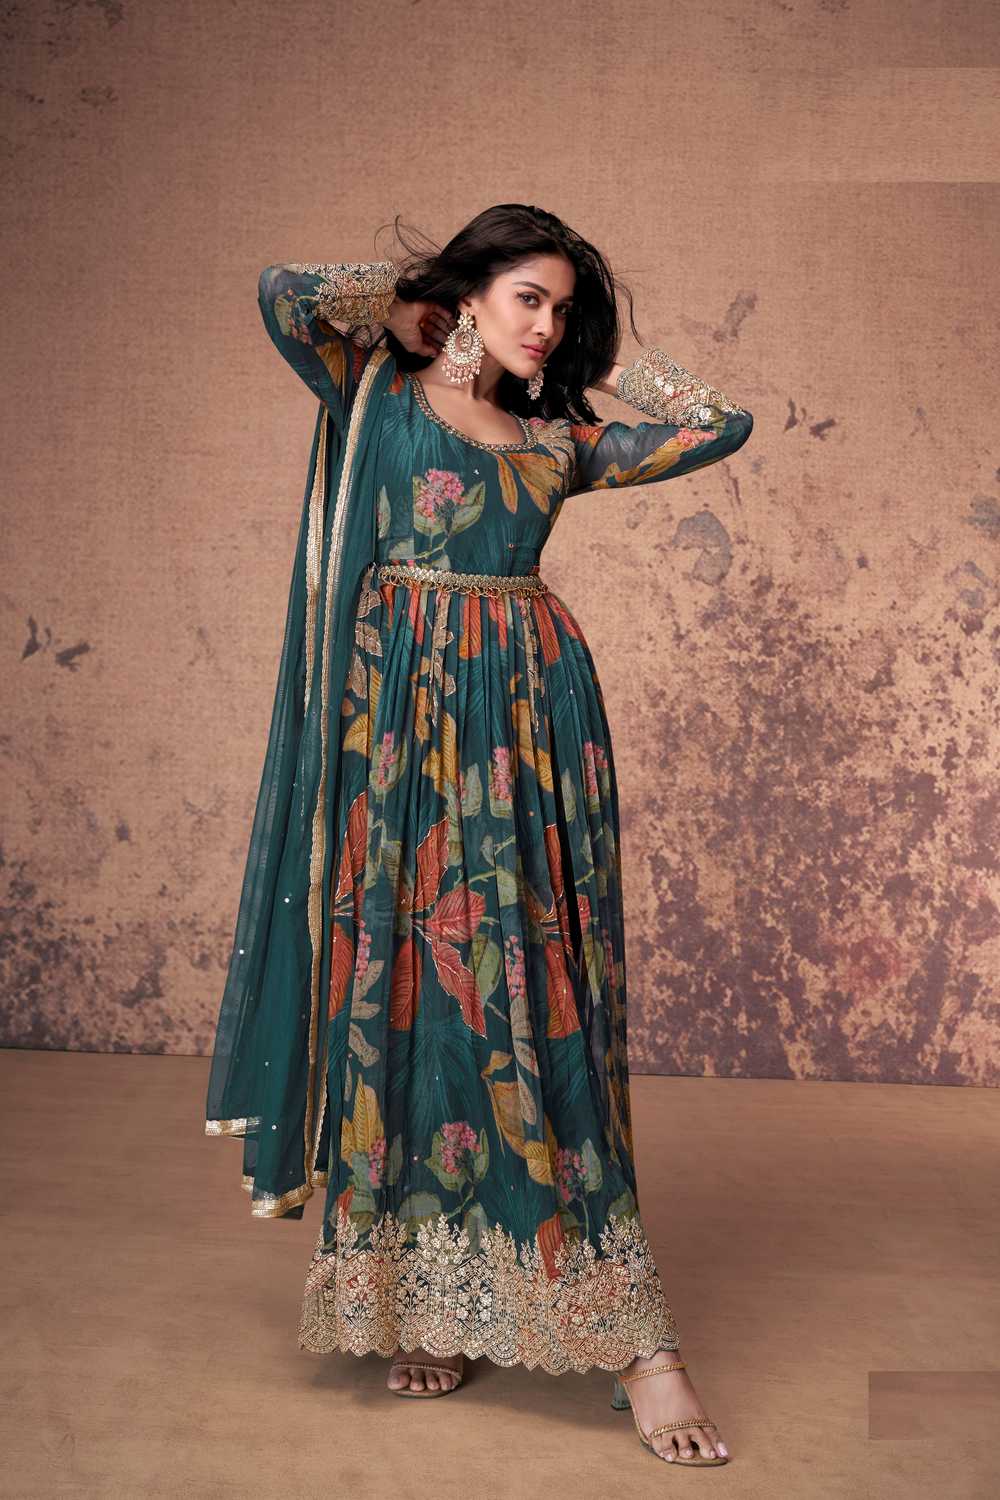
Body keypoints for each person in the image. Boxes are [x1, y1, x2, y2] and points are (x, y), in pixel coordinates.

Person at [205, 204, 752, 1467]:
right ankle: (431, 1299)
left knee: (538, 984)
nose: (547, 325)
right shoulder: (377, 397)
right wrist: (412, 305)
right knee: (404, 986)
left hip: (529, 727)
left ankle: (640, 1347)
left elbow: (718, 426)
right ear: (471, 293)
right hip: (394, 736)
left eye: (562, 308)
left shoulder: (558, 441)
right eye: (527, 299)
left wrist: (608, 364)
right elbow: (284, 287)